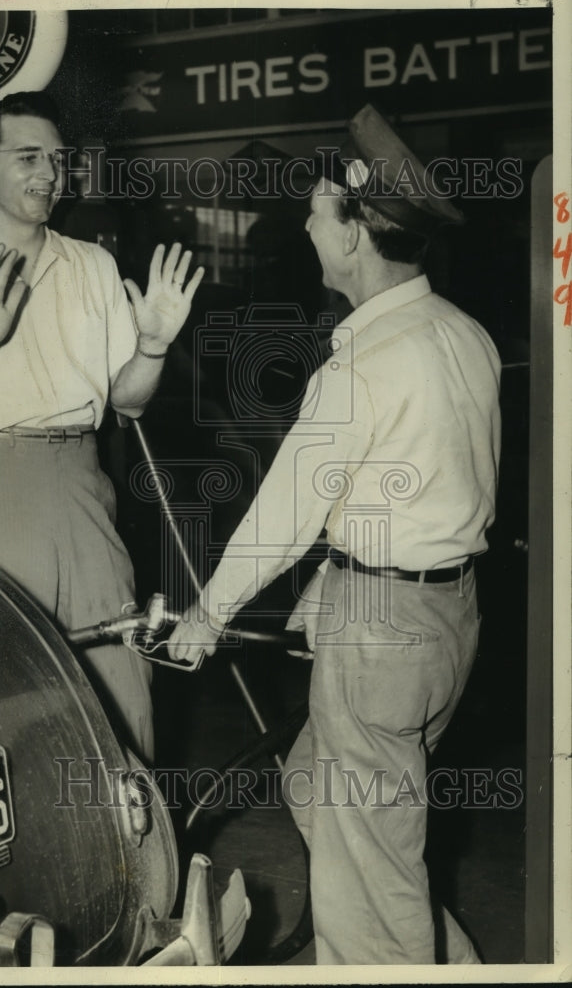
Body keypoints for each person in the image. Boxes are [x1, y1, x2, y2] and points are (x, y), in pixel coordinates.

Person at [168, 104, 501, 964]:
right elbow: (434, 480)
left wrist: (210, 612)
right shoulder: (464, 336)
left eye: (319, 212)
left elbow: (287, 510)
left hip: (380, 642)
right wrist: (336, 577)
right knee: (325, 788)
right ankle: (449, 960)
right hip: (447, 617)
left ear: (355, 235)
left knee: (365, 887)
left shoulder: (361, 365)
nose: (310, 227)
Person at [0, 92, 203, 764]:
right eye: (29, 157)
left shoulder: (92, 266)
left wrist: (155, 347)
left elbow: (128, 403)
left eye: (58, 159)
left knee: (120, 685)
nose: (50, 173)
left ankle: (136, 855)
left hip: (84, 488)